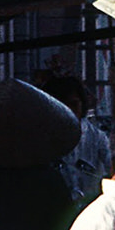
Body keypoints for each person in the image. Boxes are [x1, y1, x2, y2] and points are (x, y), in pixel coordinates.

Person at [45, 76, 111, 204]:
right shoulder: (41, 137)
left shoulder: (97, 138)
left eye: (74, 104)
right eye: (62, 105)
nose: (68, 110)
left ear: (82, 104)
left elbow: (113, 167)